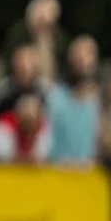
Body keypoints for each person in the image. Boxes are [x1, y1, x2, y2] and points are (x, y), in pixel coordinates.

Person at [44, 37, 102, 166]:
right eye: (78, 56)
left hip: (87, 177)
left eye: (88, 55)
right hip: (56, 174)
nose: (82, 61)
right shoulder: (54, 98)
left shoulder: (96, 102)